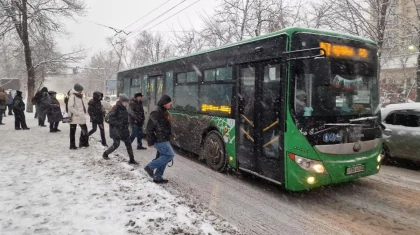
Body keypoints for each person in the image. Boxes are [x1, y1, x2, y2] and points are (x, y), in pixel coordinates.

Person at [144, 95, 173, 184]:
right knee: (169, 155)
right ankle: (150, 167)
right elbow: (149, 127)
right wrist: (150, 141)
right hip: (159, 138)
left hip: (163, 138)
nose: (170, 105)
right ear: (164, 103)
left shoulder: (163, 110)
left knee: (164, 156)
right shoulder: (156, 111)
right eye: (169, 103)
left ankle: (158, 177)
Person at [103, 94, 138, 165]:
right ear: (121, 102)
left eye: (127, 102)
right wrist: (119, 123)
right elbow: (109, 119)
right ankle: (105, 153)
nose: (127, 103)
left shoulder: (124, 108)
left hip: (124, 130)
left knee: (128, 144)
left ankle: (132, 159)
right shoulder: (115, 108)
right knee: (116, 144)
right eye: (125, 102)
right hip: (116, 130)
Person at [68, 83, 89, 150]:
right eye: (80, 90)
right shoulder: (73, 96)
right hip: (75, 116)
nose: (81, 91)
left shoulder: (78, 96)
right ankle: (72, 145)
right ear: (77, 90)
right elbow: (70, 107)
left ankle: (82, 143)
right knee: (73, 131)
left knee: (84, 129)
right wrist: (77, 113)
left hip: (80, 117)